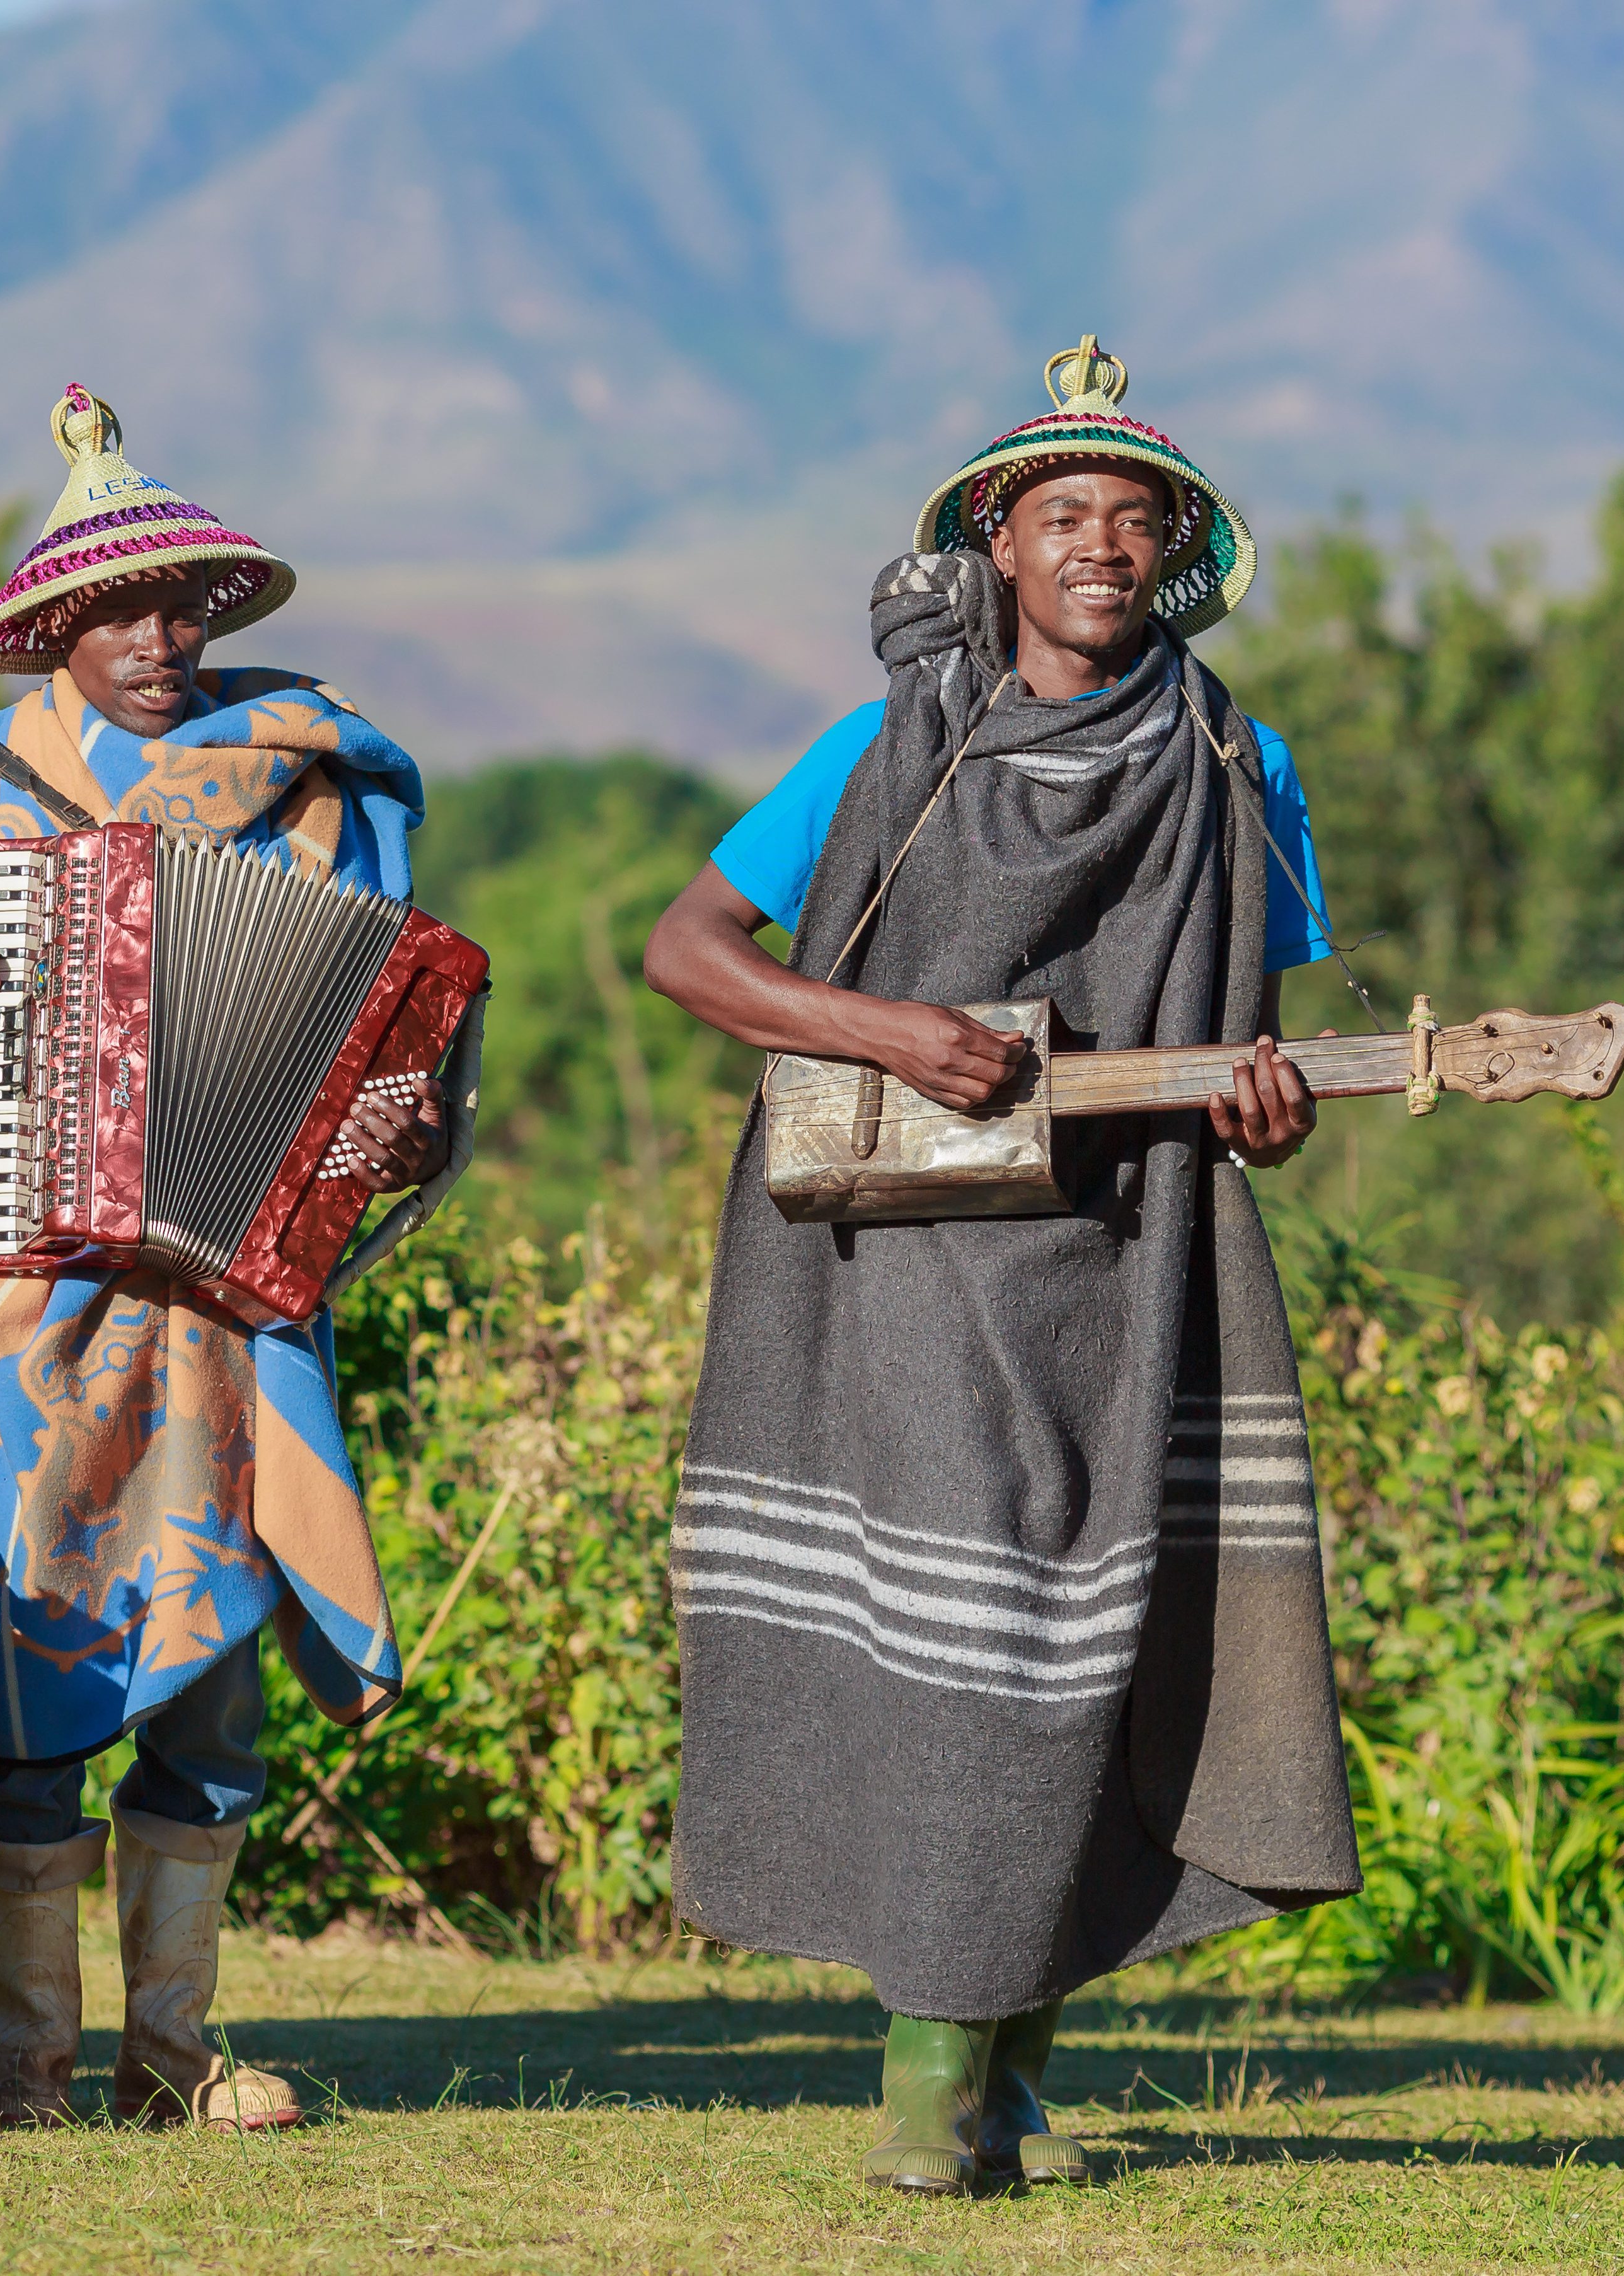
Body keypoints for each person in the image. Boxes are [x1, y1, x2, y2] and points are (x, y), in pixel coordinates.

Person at [642, 336, 1361, 2194]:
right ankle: (927, 2097)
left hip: (1136, 1250)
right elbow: (691, 950)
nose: (1102, 544)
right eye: (1066, 516)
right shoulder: (883, 739)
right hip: (899, 1254)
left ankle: (1006, 2071)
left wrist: (1272, 1110)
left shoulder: (1236, 753)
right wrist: (886, 1033)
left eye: (1136, 517)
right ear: (1003, 547)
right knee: (984, 1645)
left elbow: (1238, 1036)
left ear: (1174, 554)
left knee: (1102, 1644)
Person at [0, 385, 445, 2131]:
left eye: (189, 608)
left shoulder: (319, 780)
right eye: (125, 611)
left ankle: (177, 2052)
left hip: (225, 1278)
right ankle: (25, 2063)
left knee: (213, 1657)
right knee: (23, 1653)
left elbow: (387, 1022)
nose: (162, 640)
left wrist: (399, 1118)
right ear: (54, 627)